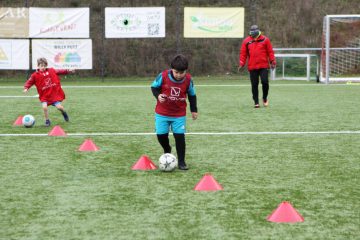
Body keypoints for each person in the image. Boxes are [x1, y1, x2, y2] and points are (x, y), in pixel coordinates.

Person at [151, 54, 198, 170]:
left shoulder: (188, 80)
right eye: (176, 72)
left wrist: (194, 110)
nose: (178, 75)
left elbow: (192, 95)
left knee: (179, 137)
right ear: (172, 69)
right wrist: (158, 96)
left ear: (186, 71)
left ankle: (181, 162)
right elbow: (153, 87)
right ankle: (167, 149)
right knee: (161, 136)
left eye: (181, 73)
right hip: (162, 113)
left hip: (178, 114)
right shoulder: (163, 76)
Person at [23, 57, 75, 126]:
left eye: (44, 65)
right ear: (38, 66)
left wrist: (68, 70)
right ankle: (47, 120)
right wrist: (26, 87)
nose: (43, 67)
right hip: (45, 96)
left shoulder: (51, 70)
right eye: (41, 66)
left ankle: (64, 113)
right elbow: (30, 81)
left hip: (53, 95)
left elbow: (60, 71)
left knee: (60, 108)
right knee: (44, 107)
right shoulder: (35, 75)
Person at [238, 25, 276, 108]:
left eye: (253, 32)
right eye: (251, 32)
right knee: (254, 84)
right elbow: (243, 54)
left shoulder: (265, 40)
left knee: (265, 82)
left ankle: (265, 98)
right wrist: (241, 64)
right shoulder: (246, 41)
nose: (252, 34)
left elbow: (270, 52)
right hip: (252, 66)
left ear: (257, 32)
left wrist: (272, 61)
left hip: (263, 65)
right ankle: (256, 102)